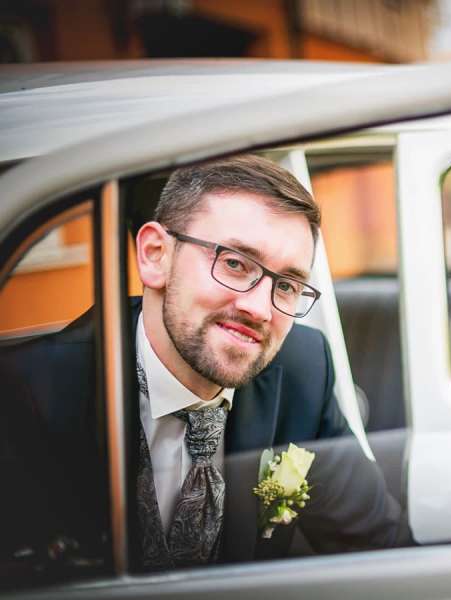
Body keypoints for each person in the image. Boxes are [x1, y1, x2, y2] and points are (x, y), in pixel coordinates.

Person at [0, 155, 406, 577]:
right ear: (155, 255)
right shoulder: (29, 393)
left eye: (286, 285)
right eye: (234, 263)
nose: (259, 309)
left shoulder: (303, 371)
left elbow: (380, 549)